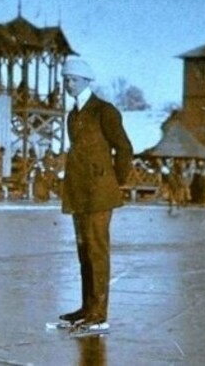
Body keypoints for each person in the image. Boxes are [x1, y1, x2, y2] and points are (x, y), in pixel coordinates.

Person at [57, 59, 133, 336]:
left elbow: (124, 149)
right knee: (84, 252)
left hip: (99, 194)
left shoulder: (104, 111)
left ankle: (99, 313)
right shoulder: (72, 115)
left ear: (87, 81)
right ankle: (88, 307)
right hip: (79, 193)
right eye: (66, 80)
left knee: (97, 252)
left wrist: (114, 181)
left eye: (73, 80)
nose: (68, 84)